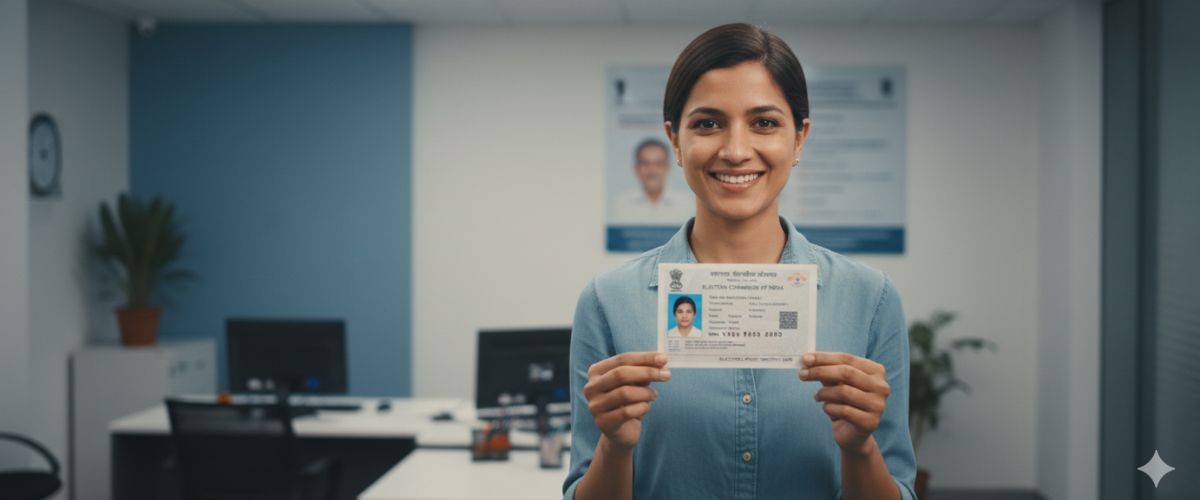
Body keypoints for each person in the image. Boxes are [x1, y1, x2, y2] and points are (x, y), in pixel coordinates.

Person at [565, 23, 916, 500]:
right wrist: (615, 446)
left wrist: (859, 450)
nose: (734, 150)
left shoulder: (870, 299)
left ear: (799, 139)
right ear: (674, 139)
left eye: (765, 123)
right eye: (707, 123)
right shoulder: (608, 302)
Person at [610, 138, 693, 225]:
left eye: (658, 164)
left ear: (667, 167)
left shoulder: (685, 203)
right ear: (636, 168)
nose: (652, 171)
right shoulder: (622, 204)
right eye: (645, 164)